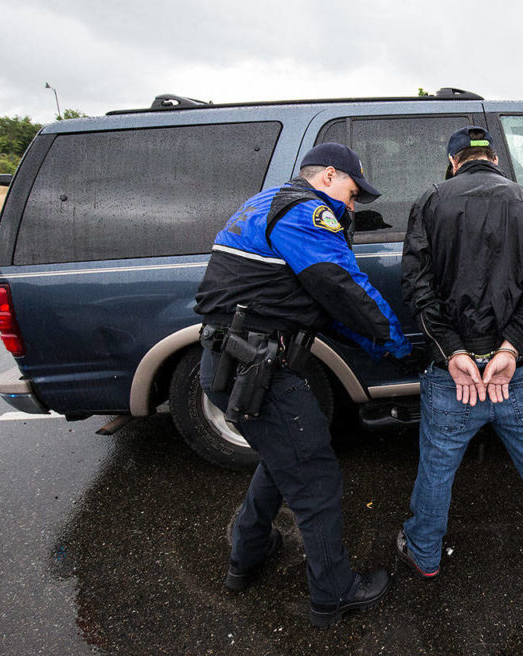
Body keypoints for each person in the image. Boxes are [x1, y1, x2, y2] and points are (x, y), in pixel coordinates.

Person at [194, 143, 411, 628]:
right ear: (329, 175)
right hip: (260, 372)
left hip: (229, 364)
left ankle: (246, 558)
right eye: (353, 194)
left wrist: (373, 344)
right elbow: (341, 286)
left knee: (281, 458)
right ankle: (334, 594)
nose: (352, 207)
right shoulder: (306, 214)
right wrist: (393, 341)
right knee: (315, 478)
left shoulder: (265, 202)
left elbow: (311, 302)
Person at [398, 126, 523, 577]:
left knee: (437, 467)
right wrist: (512, 348)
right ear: (494, 158)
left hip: (452, 373)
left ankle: (424, 554)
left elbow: (417, 288)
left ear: (454, 160)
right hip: (515, 369)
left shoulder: (431, 201)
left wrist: (453, 351)